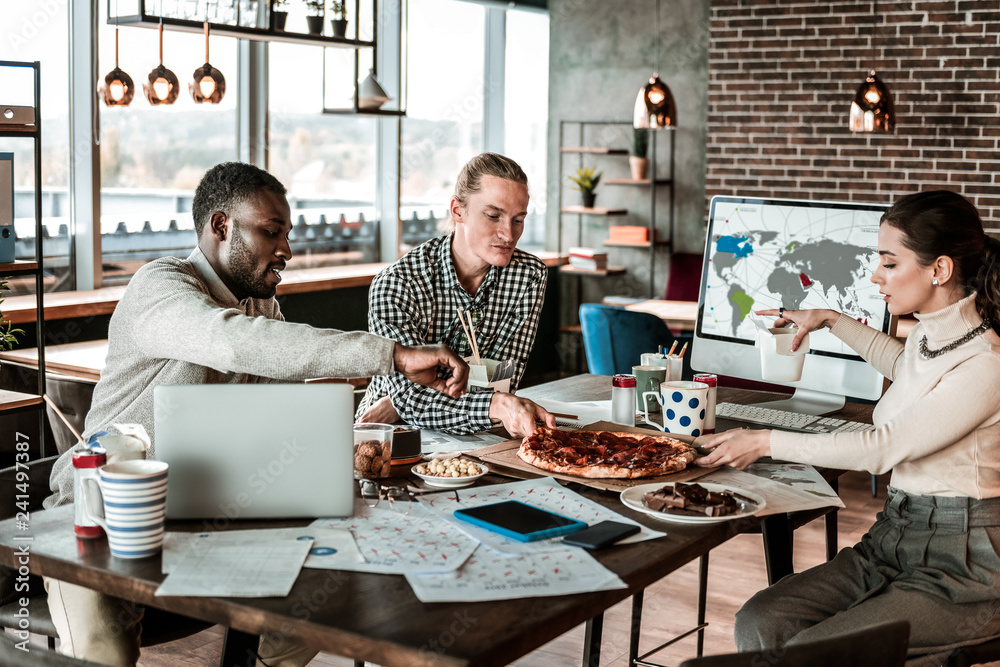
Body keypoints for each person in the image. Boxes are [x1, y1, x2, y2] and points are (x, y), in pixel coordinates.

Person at [41, 161, 469, 667]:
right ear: (221, 226)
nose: (286, 249)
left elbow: (283, 412)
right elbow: (232, 344)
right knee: (103, 652)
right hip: (93, 516)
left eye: (287, 234)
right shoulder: (159, 286)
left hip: (205, 513)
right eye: (271, 232)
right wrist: (391, 354)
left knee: (322, 600)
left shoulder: (262, 307)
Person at [695, 190, 1000, 664]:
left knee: (813, 653)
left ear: (938, 270)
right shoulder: (933, 334)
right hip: (895, 534)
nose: (875, 276)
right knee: (762, 620)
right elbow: (905, 366)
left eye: (889, 263)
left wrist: (764, 441)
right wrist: (831, 320)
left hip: (965, 558)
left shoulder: (987, 364)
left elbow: (884, 448)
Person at [357, 152, 555, 437]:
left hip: (480, 432)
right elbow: (412, 402)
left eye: (518, 220)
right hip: (391, 434)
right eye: (493, 215)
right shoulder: (396, 283)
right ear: (457, 210)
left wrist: (403, 401)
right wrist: (405, 404)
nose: (508, 234)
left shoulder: (529, 276)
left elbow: (502, 381)